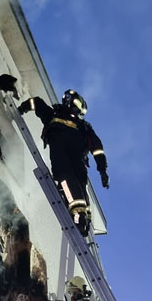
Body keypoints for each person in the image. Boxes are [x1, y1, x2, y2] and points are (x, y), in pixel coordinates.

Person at [19, 89, 109, 236]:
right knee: (66, 179)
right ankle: (79, 217)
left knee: (80, 185)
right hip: (61, 155)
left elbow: (97, 147)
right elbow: (36, 102)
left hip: (77, 158)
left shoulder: (83, 126)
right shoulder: (54, 114)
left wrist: (102, 170)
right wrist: (22, 108)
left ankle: (84, 219)